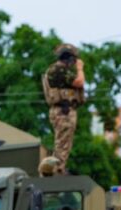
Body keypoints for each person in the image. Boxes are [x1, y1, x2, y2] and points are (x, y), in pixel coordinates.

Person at [40, 43, 85, 176]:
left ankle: (57, 168)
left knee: (63, 143)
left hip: (61, 111)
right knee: (63, 144)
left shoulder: (56, 70)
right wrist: (80, 69)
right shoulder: (58, 70)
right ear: (69, 58)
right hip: (63, 111)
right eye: (74, 59)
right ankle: (56, 170)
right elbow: (79, 82)